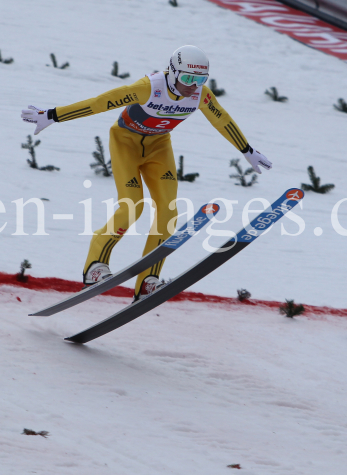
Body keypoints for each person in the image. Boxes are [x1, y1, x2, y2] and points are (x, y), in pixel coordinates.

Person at [20, 46, 272, 300]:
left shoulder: (200, 96)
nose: (192, 86)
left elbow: (222, 119)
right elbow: (99, 104)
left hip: (159, 147)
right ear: (173, 72)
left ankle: (148, 281)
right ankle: (95, 267)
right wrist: (52, 115)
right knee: (132, 207)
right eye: (187, 78)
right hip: (125, 144)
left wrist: (247, 150)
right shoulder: (148, 87)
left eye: (200, 80)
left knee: (168, 211)